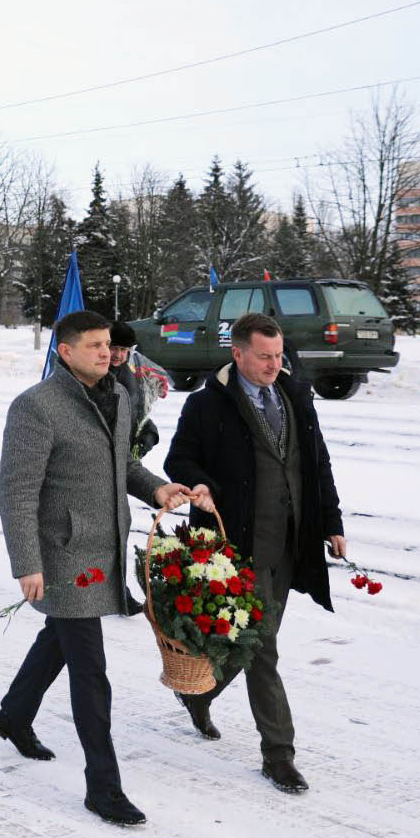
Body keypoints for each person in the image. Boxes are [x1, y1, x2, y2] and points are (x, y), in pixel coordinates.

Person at [0, 309, 207, 827]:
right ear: (65, 352)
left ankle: (13, 717)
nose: (106, 352)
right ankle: (103, 787)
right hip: (63, 554)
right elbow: (17, 492)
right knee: (90, 667)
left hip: (105, 544)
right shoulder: (36, 407)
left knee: (61, 641)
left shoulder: (117, 394)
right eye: (93, 345)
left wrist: (156, 486)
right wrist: (28, 563)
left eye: (108, 343)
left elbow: (121, 463)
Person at [163, 312, 347, 796]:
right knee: (263, 650)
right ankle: (279, 755)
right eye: (263, 356)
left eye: (279, 355)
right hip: (235, 547)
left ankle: (198, 692)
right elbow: (178, 458)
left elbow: (317, 463)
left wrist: (332, 524)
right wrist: (199, 482)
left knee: (248, 641)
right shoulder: (207, 405)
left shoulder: (295, 396)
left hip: (290, 544)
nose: (273, 364)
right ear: (237, 353)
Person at [108, 319, 169, 458]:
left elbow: (137, 413)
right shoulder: (93, 378)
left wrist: (149, 432)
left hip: (126, 457)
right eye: (113, 347)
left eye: (123, 349)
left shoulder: (133, 376)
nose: (118, 354)